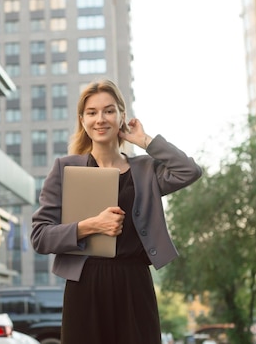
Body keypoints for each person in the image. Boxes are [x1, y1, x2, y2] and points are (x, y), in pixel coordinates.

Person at [31, 79, 202, 344]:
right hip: (84, 284)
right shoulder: (65, 168)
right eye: (92, 112)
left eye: (109, 111)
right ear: (82, 120)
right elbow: (40, 236)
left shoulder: (146, 170)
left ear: (122, 116)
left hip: (134, 283)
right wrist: (92, 225)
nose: (100, 119)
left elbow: (189, 171)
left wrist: (145, 140)